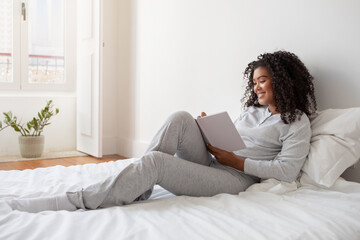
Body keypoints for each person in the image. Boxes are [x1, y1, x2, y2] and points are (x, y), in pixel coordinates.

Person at [8, 50, 317, 212]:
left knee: (154, 164)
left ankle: (75, 200)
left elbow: (288, 171)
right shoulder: (253, 110)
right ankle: (138, 187)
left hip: (236, 177)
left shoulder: (296, 123)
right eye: (254, 82)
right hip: (217, 160)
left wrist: (237, 162)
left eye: (262, 80)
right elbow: (232, 142)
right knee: (181, 117)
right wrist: (210, 133)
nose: (257, 87)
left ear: (283, 80)